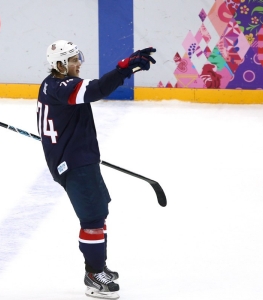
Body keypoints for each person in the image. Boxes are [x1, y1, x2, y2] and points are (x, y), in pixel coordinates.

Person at [37, 40, 156, 299]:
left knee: (99, 212)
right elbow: (97, 89)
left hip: (79, 157)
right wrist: (125, 68)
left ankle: (99, 265)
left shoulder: (52, 84)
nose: (78, 63)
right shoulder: (60, 87)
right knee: (91, 218)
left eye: (78, 57)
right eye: (72, 60)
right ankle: (94, 275)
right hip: (74, 162)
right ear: (59, 65)